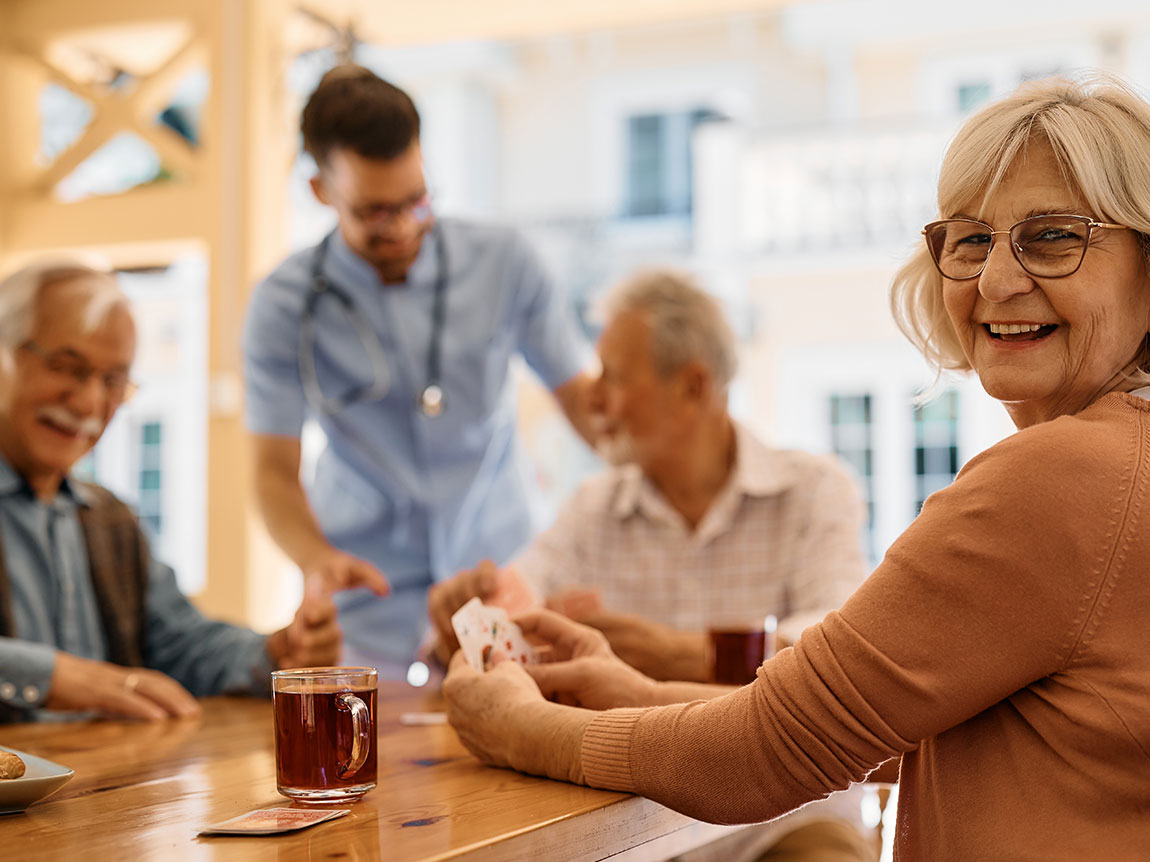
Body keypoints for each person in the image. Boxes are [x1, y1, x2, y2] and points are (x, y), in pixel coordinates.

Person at [442, 74, 1150, 860]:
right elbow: (888, 723)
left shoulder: (1061, 476)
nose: (994, 280)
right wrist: (640, 696)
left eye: (1053, 235)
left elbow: (759, 755)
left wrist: (519, 726)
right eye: (971, 238)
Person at [431, 269, 876, 860]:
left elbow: (834, 663)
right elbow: (514, 602)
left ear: (693, 386)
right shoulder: (593, 507)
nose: (590, 398)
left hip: (788, 821)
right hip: (627, 831)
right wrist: (470, 620)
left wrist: (676, 654)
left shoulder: (815, 491)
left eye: (612, 375)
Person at [242, 65, 595, 676]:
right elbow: (273, 472)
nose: (403, 227)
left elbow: (589, 409)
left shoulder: (505, 263)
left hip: (496, 586)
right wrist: (315, 558)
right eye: (375, 213)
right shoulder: (283, 304)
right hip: (369, 601)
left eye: (416, 201)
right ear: (321, 190)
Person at [0, 261, 343, 723]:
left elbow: (180, 644)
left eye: (113, 382)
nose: (88, 404)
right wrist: (50, 674)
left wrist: (277, 653)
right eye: (67, 368)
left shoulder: (109, 517)